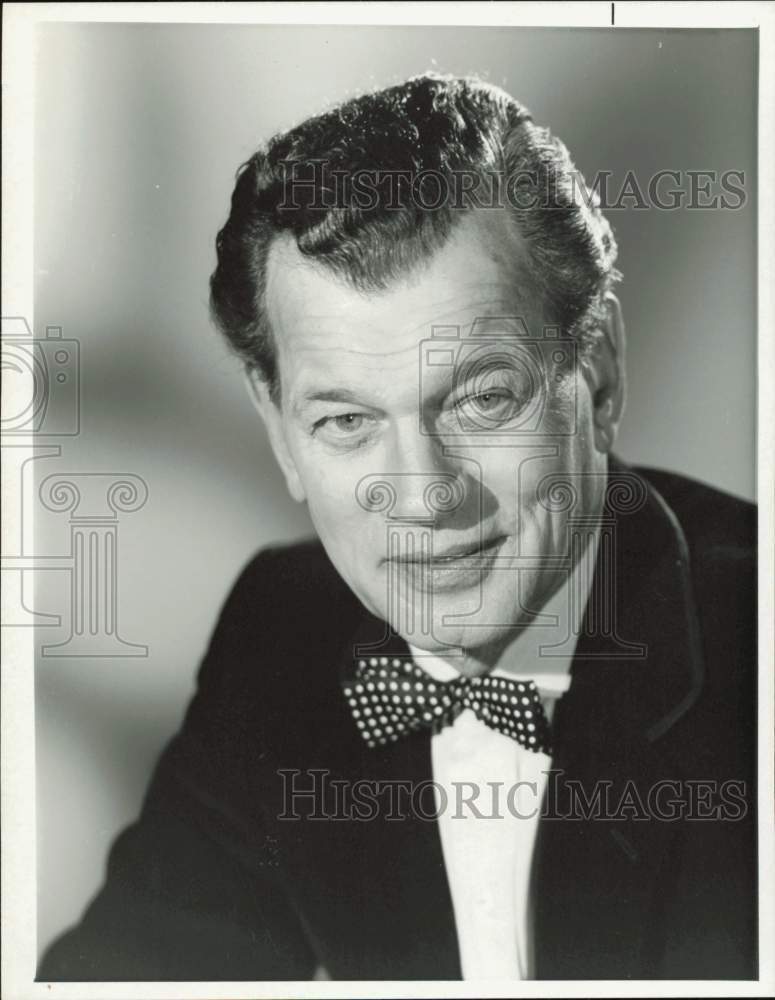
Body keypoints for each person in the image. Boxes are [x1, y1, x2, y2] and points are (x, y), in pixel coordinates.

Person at [38, 73, 756, 982]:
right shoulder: (283, 631)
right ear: (279, 431)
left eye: (482, 400)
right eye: (346, 421)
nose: (422, 496)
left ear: (598, 374)